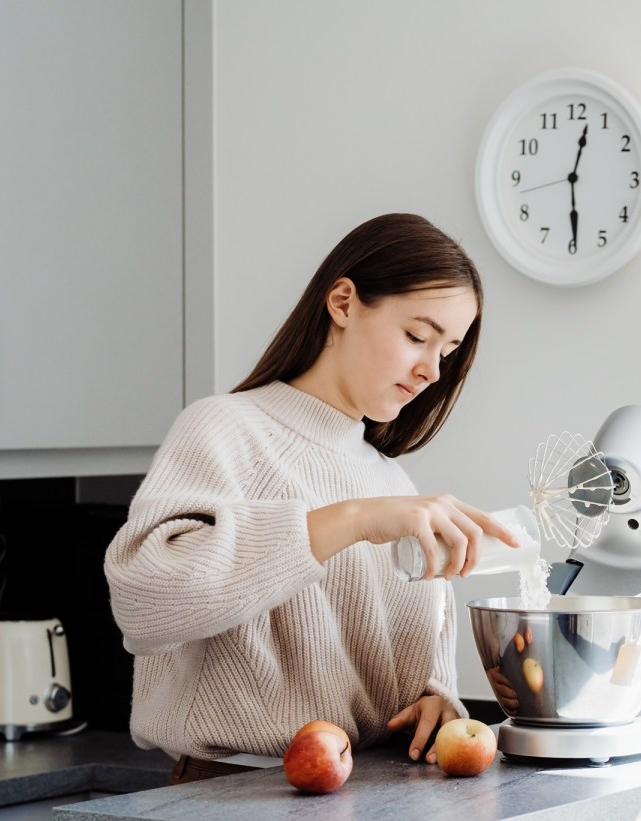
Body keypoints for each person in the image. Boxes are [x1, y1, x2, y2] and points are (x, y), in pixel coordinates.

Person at [104, 212, 517, 783]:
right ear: (343, 303)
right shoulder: (225, 430)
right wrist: (352, 519)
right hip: (231, 793)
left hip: (369, 786)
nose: (431, 371)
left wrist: (433, 696)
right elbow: (142, 602)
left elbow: (408, 646)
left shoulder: (392, 482)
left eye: (446, 351)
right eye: (417, 337)